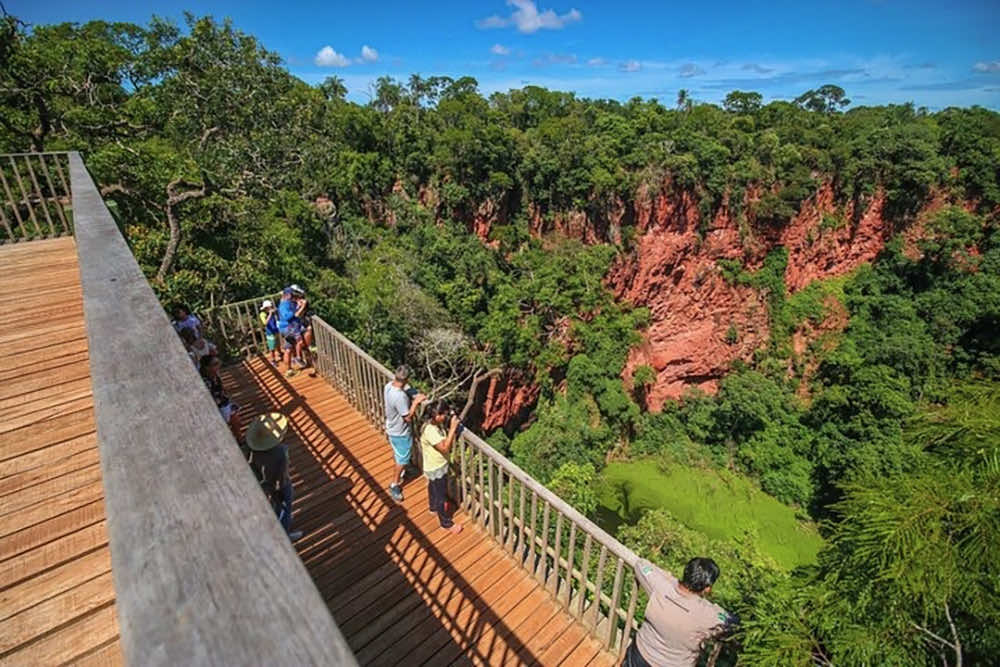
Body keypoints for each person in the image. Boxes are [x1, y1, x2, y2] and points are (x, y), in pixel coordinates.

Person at [622, 557, 738, 667]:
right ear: (707, 588)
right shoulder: (709, 616)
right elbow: (734, 622)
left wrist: (671, 580)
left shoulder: (661, 587)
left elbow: (641, 564)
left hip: (639, 655)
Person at [245, 412, 302, 541]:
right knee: (285, 507)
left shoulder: (252, 446)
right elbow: (282, 475)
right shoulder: (281, 451)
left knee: (274, 506)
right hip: (276, 485)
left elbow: (251, 463)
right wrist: (280, 490)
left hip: (262, 483)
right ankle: (285, 533)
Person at [419, 401, 463, 534]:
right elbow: (444, 448)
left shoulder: (431, 425)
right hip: (436, 467)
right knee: (441, 496)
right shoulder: (430, 431)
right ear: (437, 416)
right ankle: (446, 523)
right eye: (444, 414)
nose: (445, 417)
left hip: (433, 465)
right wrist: (453, 429)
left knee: (433, 487)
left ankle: (433, 508)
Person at [383, 364, 425, 502]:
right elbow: (407, 417)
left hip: (391, 427)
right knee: (402, 458)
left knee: (399, 454)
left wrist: (410, 391)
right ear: (407, 379)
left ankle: (404, 471)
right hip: (400, 432)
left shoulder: (388, 386)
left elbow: (403, 390)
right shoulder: (399, 397)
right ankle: (394, 484)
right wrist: (416, 402)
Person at [199, 354, 243, 444]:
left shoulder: (215, 375)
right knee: (232, 423)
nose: (218, 365)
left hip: (224, 401)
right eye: (215, 364)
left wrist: (228, 397)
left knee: (237, 421)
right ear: (207, 368)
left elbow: (222, 388)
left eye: (218, 363)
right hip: (217, 407)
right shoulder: (205, 382)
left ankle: (240, 440)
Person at [277, 287, 305, 377]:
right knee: (299, 341)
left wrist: (297, 305)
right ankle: (298, 358)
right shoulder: (284, 305)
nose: (293, 296)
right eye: (292, 295)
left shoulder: (287, 303)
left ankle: (289, 370)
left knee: (288, 349)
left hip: (286, 329)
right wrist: (301, 307)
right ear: (288, 295)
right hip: (289, 328)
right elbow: (288, 316)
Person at [259, 300, 281, 365]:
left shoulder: (272, 312)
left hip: (275, 330)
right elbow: (265, 323)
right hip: (270, 332)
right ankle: (273, 359)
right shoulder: (262, 314)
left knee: (278, 344)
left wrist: (276, 312)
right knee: (272, 347)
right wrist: (270, 314)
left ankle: (280, 353)